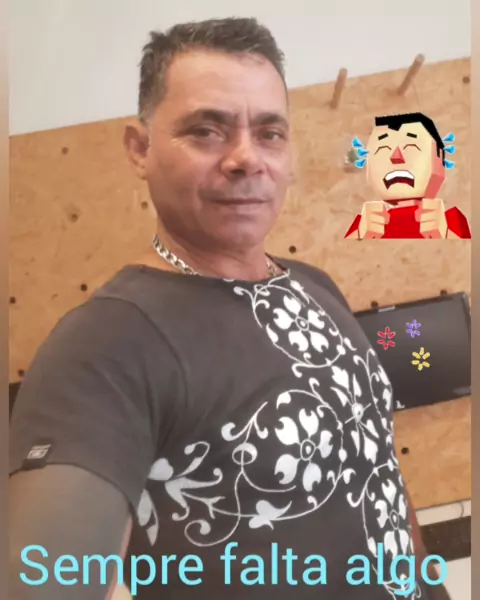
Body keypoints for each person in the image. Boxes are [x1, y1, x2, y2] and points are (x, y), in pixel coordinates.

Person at [9, 18, 451, 600]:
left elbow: (378, 469)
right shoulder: (105, 344)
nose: (246, 158)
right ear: (140, 149)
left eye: (269, 133)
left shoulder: (315, 286)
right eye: (206, 131)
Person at [344, 112, 471, 239]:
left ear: (439, 159)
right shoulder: (363, 225)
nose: (396, 157)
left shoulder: (452, 221)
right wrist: (360, 236)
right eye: (382, 149)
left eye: (411, 147)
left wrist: (445, 235)